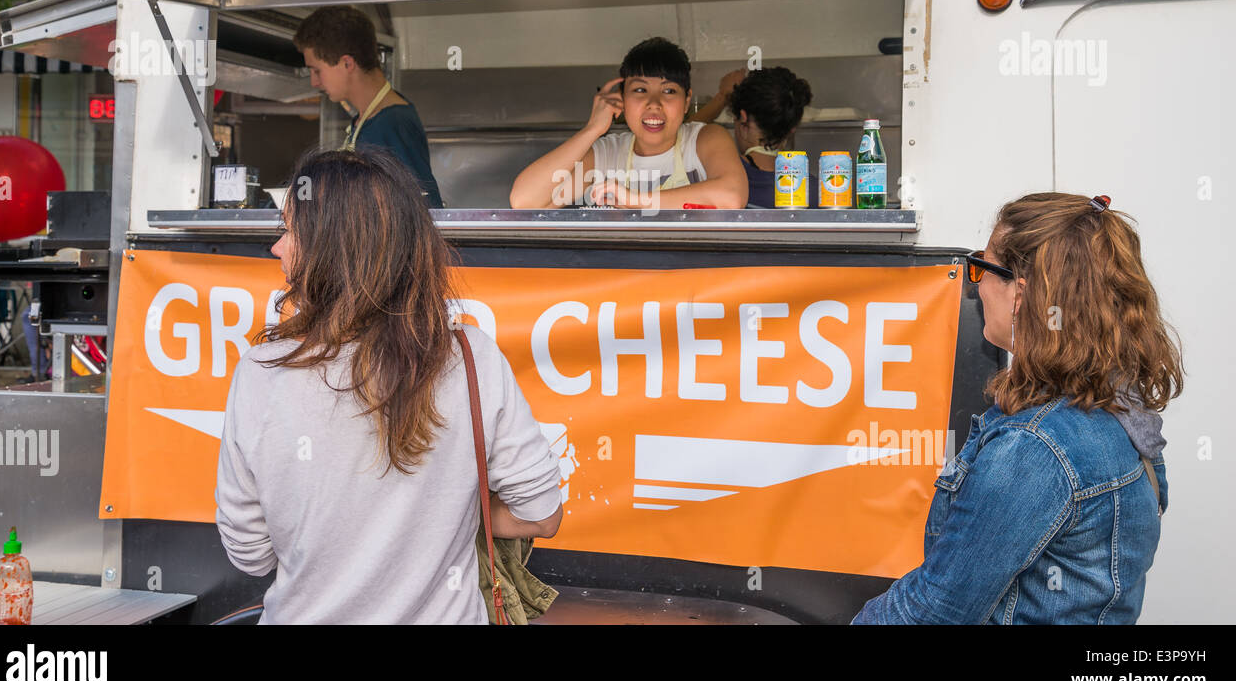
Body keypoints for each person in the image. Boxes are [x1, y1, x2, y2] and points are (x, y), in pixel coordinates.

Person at [215, 147, 563, 624]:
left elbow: (250, 556)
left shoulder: (262, 372)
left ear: (331, 248)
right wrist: (446, 517)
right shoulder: (471, 355)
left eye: (290, 231)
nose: (277, 248)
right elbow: (541, 516)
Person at [852, 193, 1182, 624]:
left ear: (1020, 294)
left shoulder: (1034, 448)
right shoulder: (1124, 409)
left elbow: (935, 611)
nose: (976, 284)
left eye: (983, 268)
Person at [509, 37, 747, 210]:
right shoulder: (606, 154)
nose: (654, 104)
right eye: (640, 90)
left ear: (686, 102)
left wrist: (634, 200)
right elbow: (524, 201)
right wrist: (592, 130)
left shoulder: (704, 140)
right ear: (622, 100)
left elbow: (732, 196)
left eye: (668, 91)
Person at [293, 5, 443, 207]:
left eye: (317, 71)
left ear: (347, 63)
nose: (314, 83)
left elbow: (422, 207)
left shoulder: (392, 122)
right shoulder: (365, 120)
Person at [694, 66, 814, 208]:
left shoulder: (722, 178)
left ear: (743, 118)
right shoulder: (821, 191)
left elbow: (682, 136)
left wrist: (722, 96)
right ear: (792, 128)